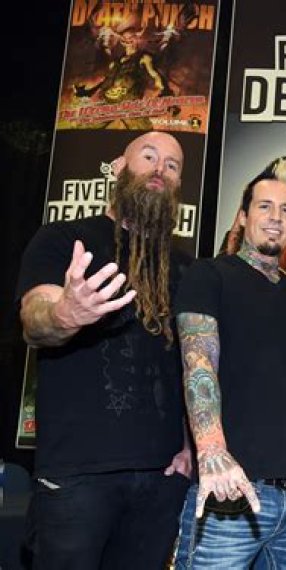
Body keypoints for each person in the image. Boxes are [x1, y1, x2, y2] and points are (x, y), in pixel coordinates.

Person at [16, 131, 192, 569]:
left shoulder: (187, 267)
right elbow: (34, 321)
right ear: (118, 168)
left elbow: (194, 364)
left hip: (161, 477)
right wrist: (65, 313)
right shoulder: (64, 239)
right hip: (77, 473)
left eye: (172, 165)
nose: (159, 169)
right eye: (148, 156)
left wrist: (191, 444)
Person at [173, 164, 286, 568]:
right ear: (243, 216)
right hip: (229, 495)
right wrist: (212, 453)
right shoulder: (208, 275)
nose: (275, 217)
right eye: (264, 206)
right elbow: (198, 365)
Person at [220, 156, 286, 255]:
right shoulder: (256, 188)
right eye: (264, 206)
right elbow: (235, 233)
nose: (276, 217)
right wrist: (230, 258)